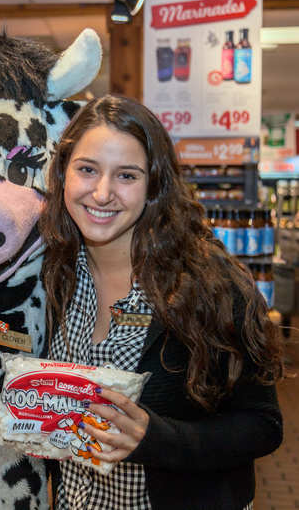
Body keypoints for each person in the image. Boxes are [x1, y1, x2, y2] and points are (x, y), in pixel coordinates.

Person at [40, 94, 284, 510]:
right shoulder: (51, 275)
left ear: (154, 184)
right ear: (63, 173)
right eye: (87, 170)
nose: (102, 193)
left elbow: (263, 425)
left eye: (127, 176)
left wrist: (156, 439)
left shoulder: (210, 286)